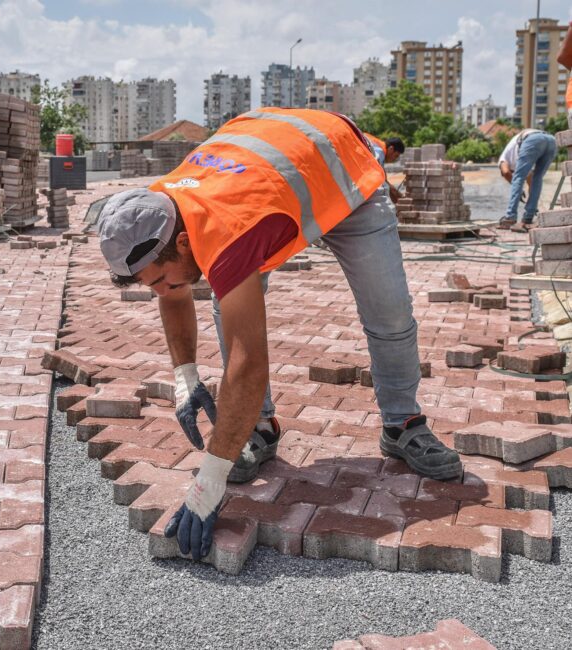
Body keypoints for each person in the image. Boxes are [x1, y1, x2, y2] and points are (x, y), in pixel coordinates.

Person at [96, 108, 461, 561]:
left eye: (162, 279)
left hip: (346, 172)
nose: (163, 291)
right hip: (267, 178)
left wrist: (209, 481)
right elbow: (171, 292)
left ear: (184, 243)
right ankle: (259, 428)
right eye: (153, 284)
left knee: (388, 311)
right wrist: (184, 377)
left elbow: (249, 363)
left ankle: (403, 424)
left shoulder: (226, 232)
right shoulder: (155, 213)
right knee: (226, 297)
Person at [496, 128, 557, 233]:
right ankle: (527, 218)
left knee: (518, 177)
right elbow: (530, 179)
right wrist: (521, 191)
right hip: (551, 140)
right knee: (537, 178)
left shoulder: (504, 158)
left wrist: (517, 189)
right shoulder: (518, 154)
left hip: (532, 139)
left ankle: (510, 218)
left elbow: (506, 173)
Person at [364, 133, 405, 203]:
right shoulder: (379, 152)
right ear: (391, 149)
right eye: (396, 156)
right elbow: (382, 180)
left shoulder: (378, 145)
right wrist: (400, 198)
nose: (394, 159)